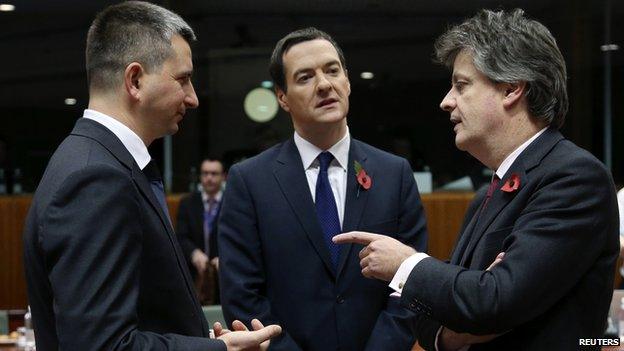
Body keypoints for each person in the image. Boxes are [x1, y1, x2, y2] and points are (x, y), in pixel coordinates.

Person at [334, 9, 619, 351]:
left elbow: (492, 301)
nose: (446, 101)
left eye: (461, 85)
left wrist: (405, 264)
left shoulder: (574, 178)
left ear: (512, 88)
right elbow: (432, 320)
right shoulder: (489, 192)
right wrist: (459, 325)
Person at [22, 2, 280, 350]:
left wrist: (201, 341)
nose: (192, 99)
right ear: (135, 80)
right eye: (183, 79)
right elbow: (102, 346)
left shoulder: (99, 161)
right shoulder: (96, 178)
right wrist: (221, 349)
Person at [218, 27, 428, 351]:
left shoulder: (394, 174)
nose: (325, 85)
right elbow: (242, 295)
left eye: (332, 70)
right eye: (305, 77)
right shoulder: (249, 181)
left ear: (347, 81)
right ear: (282, 97)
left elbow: (410, 284)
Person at [177, 157, 226, 304]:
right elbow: (181, 236)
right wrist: (194, 253)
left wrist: (226, 257)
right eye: (205, 173)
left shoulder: (233, 202)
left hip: (224, 277)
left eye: (214, 173)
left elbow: (240, 237)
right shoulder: (187, 203)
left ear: (223, 176)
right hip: (195, 276)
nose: (209, 178)